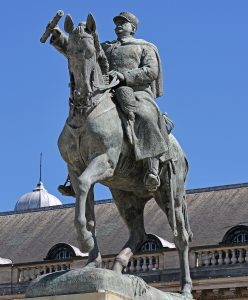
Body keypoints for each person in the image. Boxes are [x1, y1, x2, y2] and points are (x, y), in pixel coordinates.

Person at [57, 12, 170, 195]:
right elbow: (81, 52)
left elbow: (151, 71)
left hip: (136, 91)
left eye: (123, 23)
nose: (118, 26)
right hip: (106, 90)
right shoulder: (105, 47)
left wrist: (124, 76)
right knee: (81, 117)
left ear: (132, 28)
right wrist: (58, 37)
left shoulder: (144, 47)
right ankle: (74, 174)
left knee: (146, 115)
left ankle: (152, 168)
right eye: (117, 23)